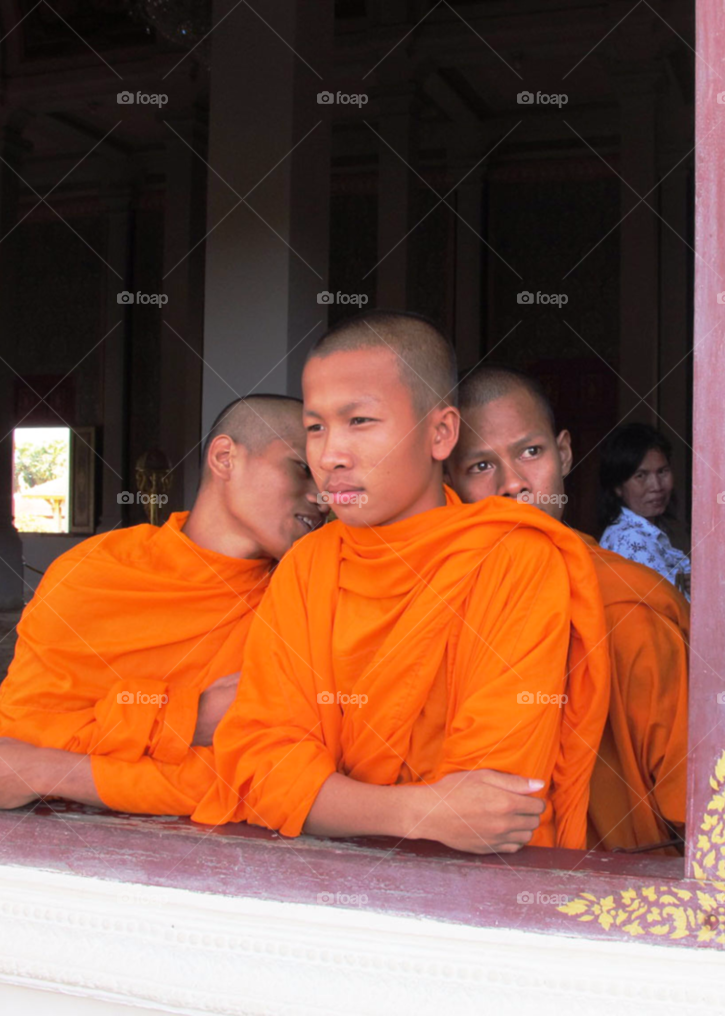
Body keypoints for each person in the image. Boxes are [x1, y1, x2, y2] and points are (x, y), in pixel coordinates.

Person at [193, 312, 610, 854]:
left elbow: (495, 803)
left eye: (360, 422)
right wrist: (418, 810)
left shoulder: (515, 559)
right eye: (315, 427)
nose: (329, 455)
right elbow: (257, 767)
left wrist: (323, 797)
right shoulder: (306, 565)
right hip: (317, 889)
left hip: (475, 903)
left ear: (440, 433)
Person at [0, 395, 328, 813]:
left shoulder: (304, 596)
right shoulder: (98, 572)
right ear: (225, 457)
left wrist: (53, 771)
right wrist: (190, 717)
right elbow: (13, 746)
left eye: (328, 481)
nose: (322, 497)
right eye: (302, 469)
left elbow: (261, 778)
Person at [446, 365, 688, 854]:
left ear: (565, 453)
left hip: (613, 892)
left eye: (530, 453)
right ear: (449, 478)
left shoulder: (630, 602)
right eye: (480, 466)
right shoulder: (434, 601)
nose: (512, 484)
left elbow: (698, 802)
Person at [598, 423, 691, 599]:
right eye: (641, 476)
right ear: (618, 486)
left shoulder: (650, 532)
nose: (656, 486)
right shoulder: (630, 539)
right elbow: (669, 609)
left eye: (662, 472)